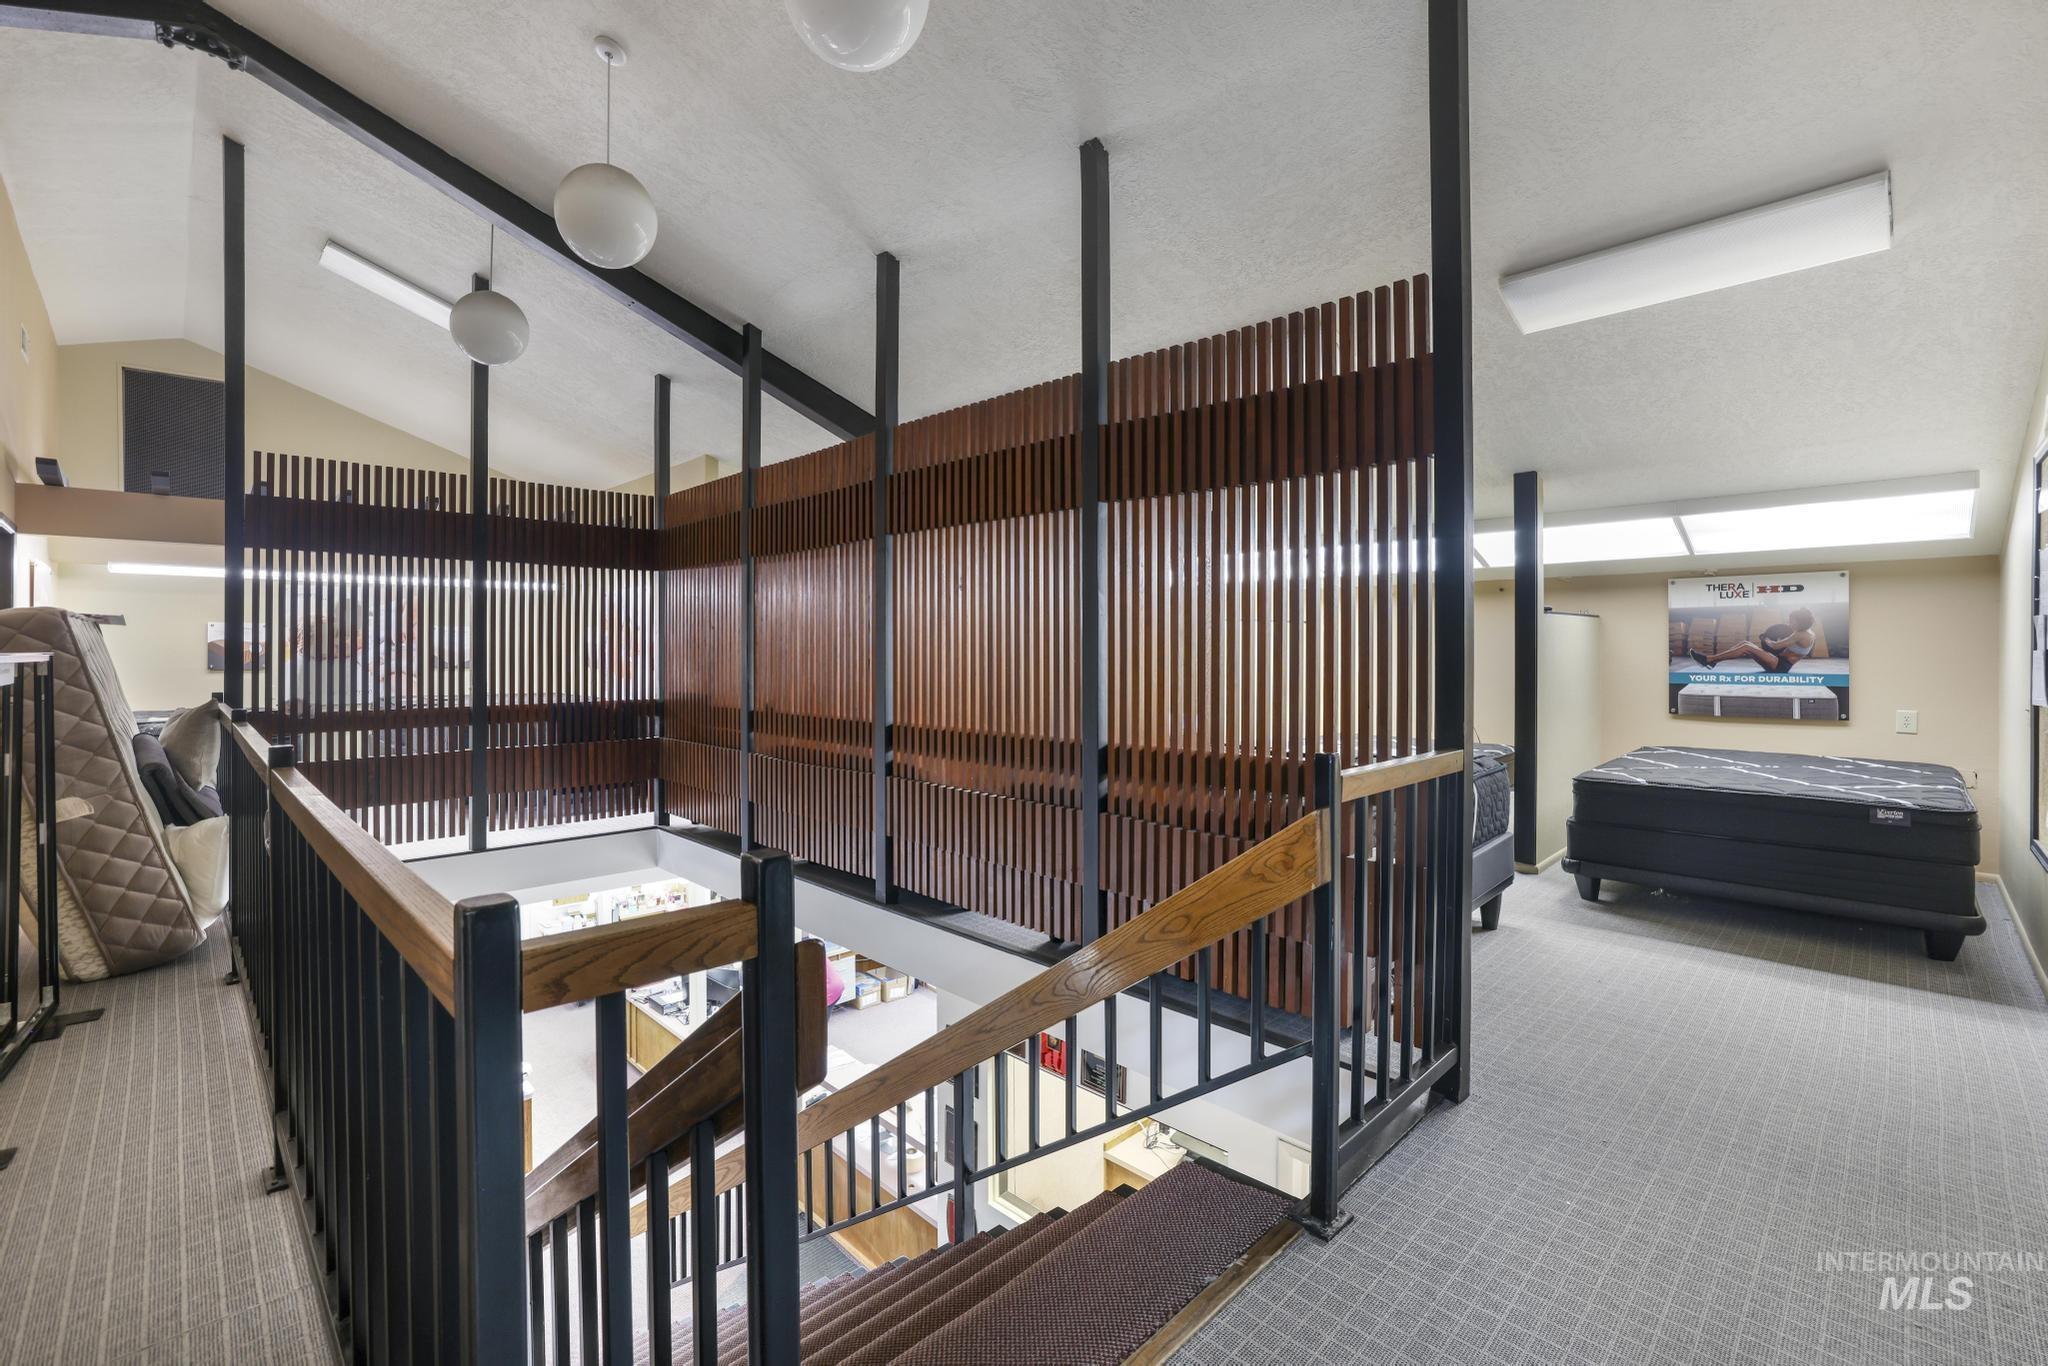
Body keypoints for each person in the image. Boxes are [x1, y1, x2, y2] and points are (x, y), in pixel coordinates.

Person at [1690, 607, 1816, 673]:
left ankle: (1709, 660)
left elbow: (1776, 646)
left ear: (1801, 622)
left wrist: (1765, 639)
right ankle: (1713, 661)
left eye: (1792, 621)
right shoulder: (1807, 632)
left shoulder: (1801, 635)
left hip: (1780, 665)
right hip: (1778, 661)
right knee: (1745, 643)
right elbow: (1789, 645)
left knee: (1747, 647)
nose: (1790, 623)